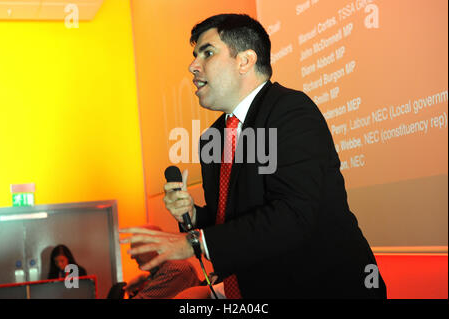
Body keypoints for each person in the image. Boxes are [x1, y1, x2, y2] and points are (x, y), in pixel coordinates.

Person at [120, 14, 387, 299]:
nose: (193, 66)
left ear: (245, 61)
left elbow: (293, 214)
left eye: (207, 53)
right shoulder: (214, 137)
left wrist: (194, 243)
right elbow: (234, 219)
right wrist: (195, 213)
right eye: (194, 55)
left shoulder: (291, 111)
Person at [123, 225, 202, 299]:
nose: (132, 257)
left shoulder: (173, 269)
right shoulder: (168, 267)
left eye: (137, 250)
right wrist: (145, 278)